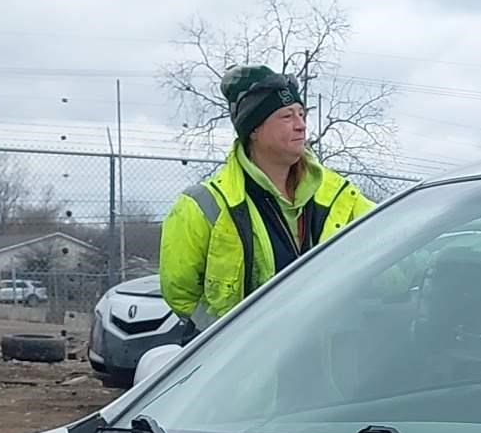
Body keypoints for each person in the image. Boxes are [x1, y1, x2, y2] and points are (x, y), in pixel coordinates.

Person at [158, 65, 372, 329]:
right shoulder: (205, 205)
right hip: (247, 363)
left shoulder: (340, 195)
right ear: (254, 130)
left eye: (302, 114)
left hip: (324, 357)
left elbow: (391, 241)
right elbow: (180, 292)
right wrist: (228, 336)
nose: (301, 125)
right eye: (286, 116)